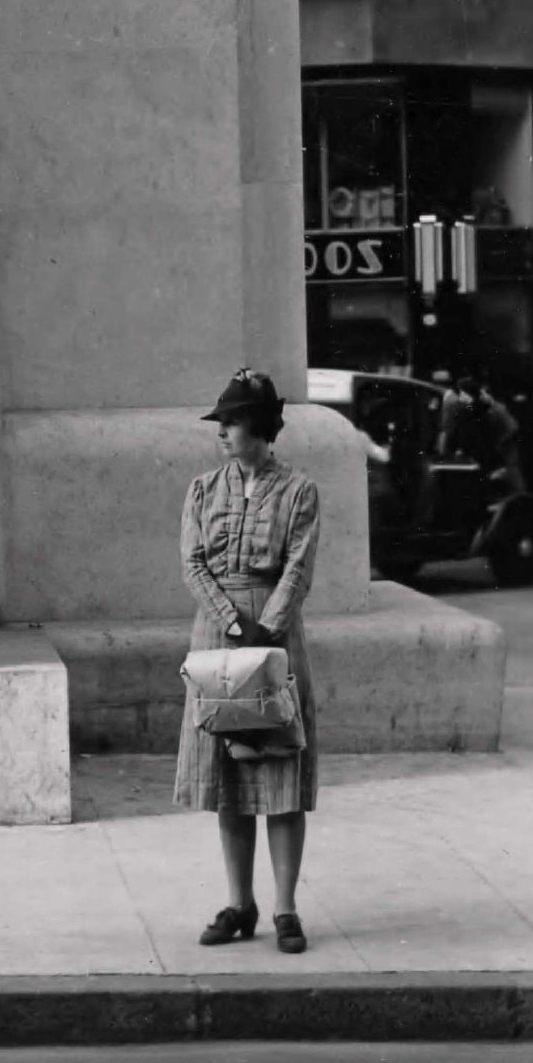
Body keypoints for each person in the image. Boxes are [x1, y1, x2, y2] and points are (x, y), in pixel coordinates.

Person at [175, 370, 322, 955]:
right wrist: (231, 621)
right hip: (217, 633)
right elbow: (193, 564)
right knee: (230, 776)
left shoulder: (300, 492)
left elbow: (299, 567)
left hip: (274, 636)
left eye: (232, 422)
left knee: (279, 770)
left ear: (261, 428)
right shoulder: (202, 490)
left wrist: (266, 626)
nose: (224, 433)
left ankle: (286, 908)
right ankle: (240, 903)